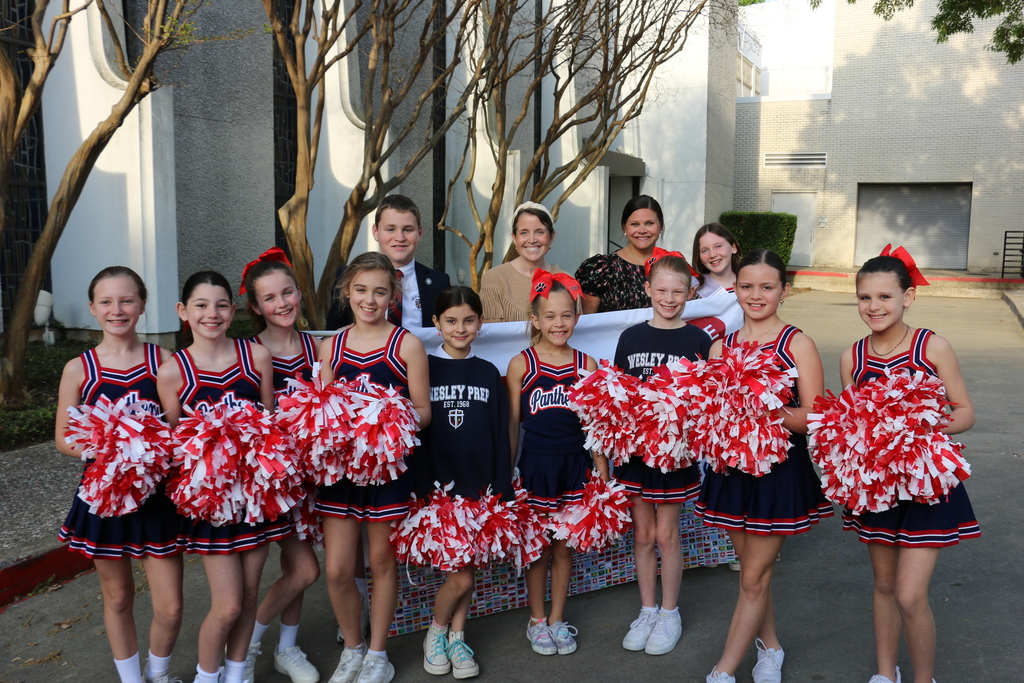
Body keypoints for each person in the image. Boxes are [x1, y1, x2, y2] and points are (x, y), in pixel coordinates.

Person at [839, 248, 978, 683]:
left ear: (908, 297)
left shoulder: (931, 346)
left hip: (925, 486)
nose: (874, 307)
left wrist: (917, 428)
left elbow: (965, 412)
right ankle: (886, 673)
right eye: (865, 297)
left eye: (885, 296)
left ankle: (923, 679)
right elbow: (852, 423)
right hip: (877, 488)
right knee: (883, 585)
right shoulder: (853, 358)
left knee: (909, 593)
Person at [697, 250, 833, 683]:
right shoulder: (722, 346)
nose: (756, 295)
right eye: (747, 286)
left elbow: (815, 417)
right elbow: (712, 411)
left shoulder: (797, 343)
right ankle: (770, 646)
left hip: (779, 473)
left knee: (752, 575)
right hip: (734, 472)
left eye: (767, 286)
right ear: (733, 288)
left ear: (783, 290)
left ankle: (723, 670)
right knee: (755, 572)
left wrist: (761, 408)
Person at [157, 271, 289, 683]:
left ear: (233, 311)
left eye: (220, 305)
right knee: (228, 604)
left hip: (254, 500)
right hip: (212, 508)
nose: (211, 314)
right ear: (183, 312)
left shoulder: (257, 357)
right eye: (200, 305)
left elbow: (270, 424)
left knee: (249, 597)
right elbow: (175, 446)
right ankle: (206, 676)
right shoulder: (173, 371)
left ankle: (235, 674)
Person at [55, 267, 185, 683]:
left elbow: (179, 426)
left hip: (156, 497)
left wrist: (150, 453)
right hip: (104, 496)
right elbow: (63, 438)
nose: (117, 310)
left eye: (127, 300)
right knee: (118, 596)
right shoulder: (79, 368)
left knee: (170, 606)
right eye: (107, 302)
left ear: (143, 305)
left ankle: (158, 674)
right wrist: (111, 452)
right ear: (93, 309)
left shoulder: (163, 361)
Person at [316, 252, 431, 683]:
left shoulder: (406, 345)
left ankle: (378, 654)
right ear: (348, 292)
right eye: (361, 290)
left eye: (380, 291)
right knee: (338, 568)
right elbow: (320, 411)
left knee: (381, 563)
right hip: (343, 474)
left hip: (388, 471)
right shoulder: (333, 346)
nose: (369, 299)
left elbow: (424, 411)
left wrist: (386, 420)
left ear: (393, 296)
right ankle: (352, 646)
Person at [612, 252, 712, 657]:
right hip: (636, 454)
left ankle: (670, 612)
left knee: (667, 535)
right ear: (647, 289)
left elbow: (704, 402)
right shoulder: (630, 337)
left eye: (678, 291)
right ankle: (647, 609)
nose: (669, 298)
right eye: (662, 290)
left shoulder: (698, 341)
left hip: (673, 456)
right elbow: (616, 398)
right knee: (642, 534)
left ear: (690, 293)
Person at [506, 270, 608, 656]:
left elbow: (594, 426)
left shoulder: (588, 364)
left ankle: (557, 617)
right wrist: (507, 472)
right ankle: (536, 619)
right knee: (539, 547)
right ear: (535, 319)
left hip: (574, 467)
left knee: (564, 547)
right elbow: (513, 428)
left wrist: (601, 469)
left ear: (577, 318)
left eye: (566, 315)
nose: (558, 323)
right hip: (535, 467)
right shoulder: (522, 364)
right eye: (549, 316)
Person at [416, 286, 512, 679]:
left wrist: (501, 485)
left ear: (480, 322)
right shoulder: (424, 367)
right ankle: (435, 633)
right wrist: (422, 488)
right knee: (461, 575)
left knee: (468, 566)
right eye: (451, 321)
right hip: (439, 491)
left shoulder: (488, 372)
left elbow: (500, 432)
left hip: (481, 489)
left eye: (469, 320)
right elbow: (417, 434)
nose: (460, 328)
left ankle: (457, 636)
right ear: (436, 323)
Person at [240, 250, 322, 683]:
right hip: (272, 482)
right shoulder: (247, 354)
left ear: (298, 293)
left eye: (287, 292)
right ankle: (248, 646)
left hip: (312, 479)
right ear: (256, 307)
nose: (282, 303)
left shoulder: (319, 347)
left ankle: (287, 649)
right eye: (270, 298)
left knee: (298, 572)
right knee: (305, 569)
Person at [325, 195, 451, 330]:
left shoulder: (439, 282)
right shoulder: (348, 276)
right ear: (376, 232)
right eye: (390, 229)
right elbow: (333, 332)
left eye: (407, 230)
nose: (400, 238)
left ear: (419, 233)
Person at [575, 195, 664, 313]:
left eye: (649, 223)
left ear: (661, 226)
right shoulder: (602, 269)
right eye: (635, 224)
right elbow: (587, 323)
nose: (642, 230)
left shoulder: (673, 266)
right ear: (624, 227)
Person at [480, 202, 565, 322]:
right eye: (524, 232)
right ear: (514, 238)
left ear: (551, 237)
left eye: (539, 231)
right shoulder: (495, 279)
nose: (531, 240)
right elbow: (493, 336)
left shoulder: (566, 280)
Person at [692, 223, 741, 299]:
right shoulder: (692, 289)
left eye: (718, 246)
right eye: (705, 250)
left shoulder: (750, 285)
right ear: (699, 257)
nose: (712, 255)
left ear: (733, 247)